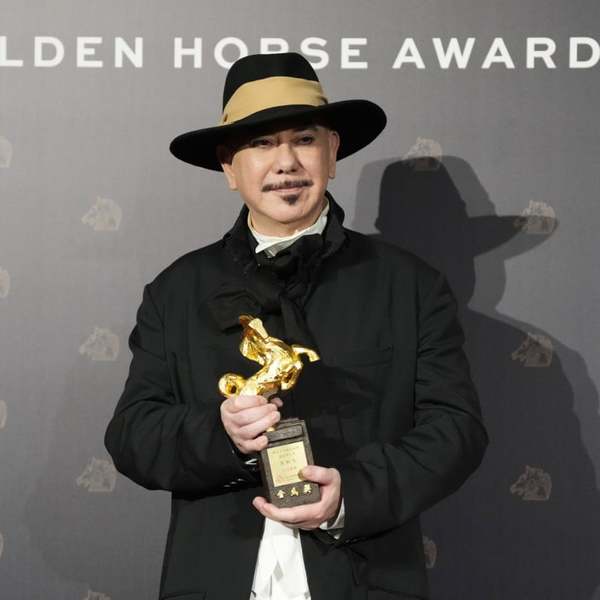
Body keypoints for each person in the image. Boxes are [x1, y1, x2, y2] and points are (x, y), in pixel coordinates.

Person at [104, 51, 489, 600]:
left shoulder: (410, 285)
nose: (285, 162)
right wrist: (224, 436)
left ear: (333, 153)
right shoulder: (176, 290)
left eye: (304, 139)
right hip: (213, 578)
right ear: (228, 168)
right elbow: (133, 434)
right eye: (260, 144)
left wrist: (352, 495)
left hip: (365, 578)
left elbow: (455, 430)